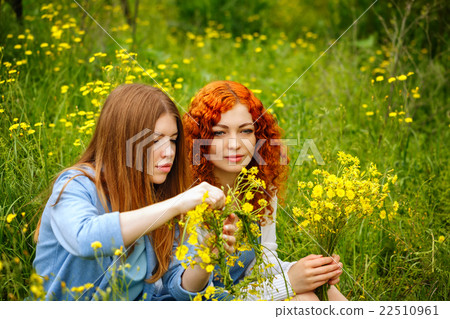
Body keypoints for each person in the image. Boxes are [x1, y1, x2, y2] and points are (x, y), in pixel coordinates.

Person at [33, 83, 236, 300]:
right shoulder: (76, 184)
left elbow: (178, 287)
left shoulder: (158, 192)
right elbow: (85, 239)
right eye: (156, 140)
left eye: (173, 140)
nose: (169, 152)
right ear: (123, 141)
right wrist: (176, 204)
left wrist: (207, 257)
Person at [183, 81, 347, 301]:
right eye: (220, 133)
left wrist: (312, 270)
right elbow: (200, 297)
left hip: (240, 293)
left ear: (258, 136)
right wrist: (291, 281)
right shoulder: (189, 197)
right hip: (205, 301)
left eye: (246, 131)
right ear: (200, 139)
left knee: (325, 289)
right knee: (306, 297)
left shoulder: (262, 187)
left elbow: (263, 261)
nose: (235, 144)